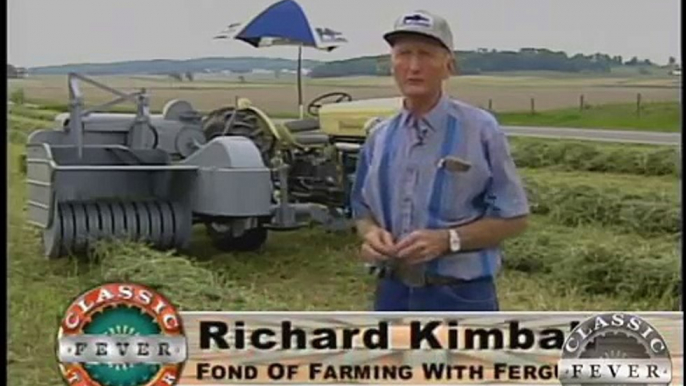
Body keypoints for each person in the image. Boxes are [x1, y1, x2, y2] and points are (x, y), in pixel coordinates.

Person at [351, 10, 530, 311]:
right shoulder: (378, 137)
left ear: (449, 66)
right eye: (404, 54)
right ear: (390, 64)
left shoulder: (481, 130)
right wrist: (371, 236)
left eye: (427, 55)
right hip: (392, 295)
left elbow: (515, 218)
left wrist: (449, 240)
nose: (414, 67)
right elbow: (361, 211)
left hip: (461, 297)